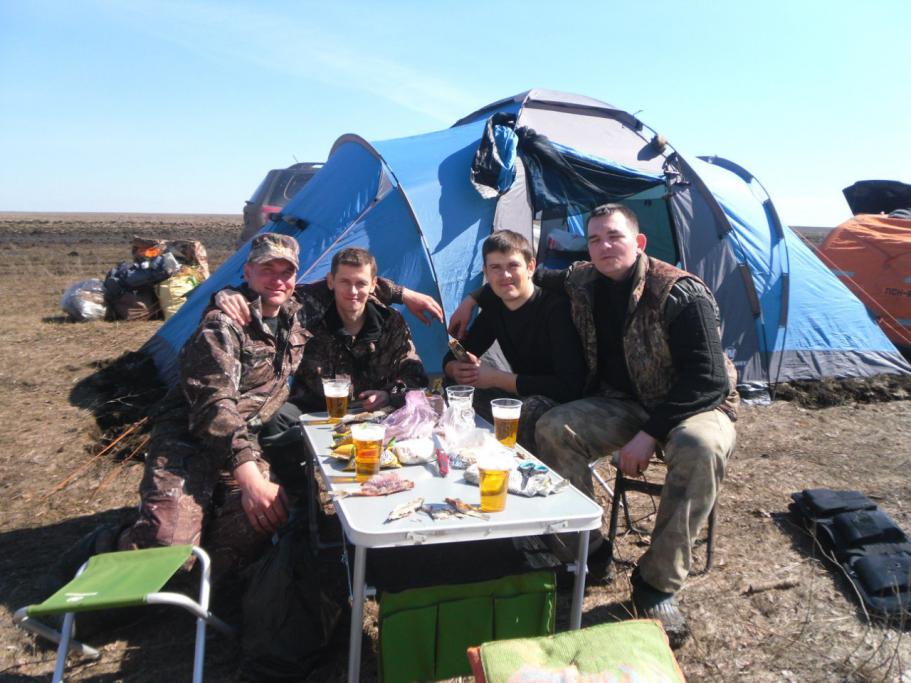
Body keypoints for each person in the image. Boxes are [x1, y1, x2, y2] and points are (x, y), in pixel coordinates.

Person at [450, 205, 737, 647]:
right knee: (553, 426)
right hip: (623, 402)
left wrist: (650, 433)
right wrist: (473, 298)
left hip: (693, 406)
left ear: (638, 242)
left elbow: (709, 379)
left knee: (700, 447)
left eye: (614, 237)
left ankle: (656, 585)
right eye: (595, 239)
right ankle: (589, 551)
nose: (605, 247)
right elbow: (518, 274)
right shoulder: (583, 279)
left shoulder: (681, 292)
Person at [113, 233, 308, 580]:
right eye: (267, 269)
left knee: (262, 522)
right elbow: (213, 406)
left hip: (244, 440)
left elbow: (353, 285)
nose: (278, 280)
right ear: (247, 272)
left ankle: (203, 569)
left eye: (286, 271)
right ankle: (111, 543)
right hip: (189, 440)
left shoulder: (297, 312)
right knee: (167, 550)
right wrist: (251, 479)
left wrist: (404, 294)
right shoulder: (223, 324)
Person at [442, 230, 585, 452]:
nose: (505, 275)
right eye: (495, 268)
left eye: (513, 265)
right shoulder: (494, 308)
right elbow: (454, 356)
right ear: (486, 273)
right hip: (521, 394)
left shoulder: (556, 310)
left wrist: (497, 379)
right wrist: (455, 368)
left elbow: (569, 387)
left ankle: (522, 465)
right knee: (456, 389)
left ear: (530, 267)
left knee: (530, 410)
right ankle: (471, 452)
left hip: (560, 403)